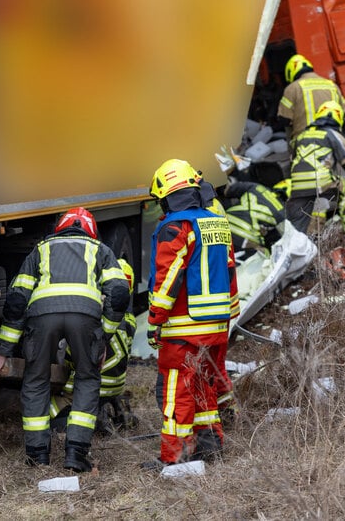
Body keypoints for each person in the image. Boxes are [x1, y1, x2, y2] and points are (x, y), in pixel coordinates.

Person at [0, 206, 128, 472]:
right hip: (85, 318)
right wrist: (103, 336)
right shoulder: (101, 250)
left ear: (59, 229)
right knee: (87, 378)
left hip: (42, 317)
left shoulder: (40, 249)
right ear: (91, 232)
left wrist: (1, 351)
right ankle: (76, 454)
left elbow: (17, 301)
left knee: (36, 380)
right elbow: (119, 294)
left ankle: (37, 456)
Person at [144, 158, 239, 468]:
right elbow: (230, 269)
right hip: (216, 325)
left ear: (166, 195)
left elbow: (168, 277)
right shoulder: (216, 222)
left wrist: (155, 318)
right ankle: (210, 445)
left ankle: (175, 458)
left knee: (177, 393)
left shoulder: (176, 226)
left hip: (184, 328)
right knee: (203, 385)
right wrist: (230, 312)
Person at [50, 258, 138, 434]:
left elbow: (66, 356)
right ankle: (111, 411)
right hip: (115, 387)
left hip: (82, 389)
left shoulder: (89, 319)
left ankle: (75, 421)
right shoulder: (130, 322)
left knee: (46, 409)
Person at [285, 100, 345, 239]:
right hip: (321, 181)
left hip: (297, 184)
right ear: (338, 117)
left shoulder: (301, 136)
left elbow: (292, 159)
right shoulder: (332, 134)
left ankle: (297, 243)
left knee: (299, 217)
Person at [277, 53, 345, 146]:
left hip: (307, 144)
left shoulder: (292, 88)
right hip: (335, 140)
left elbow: (284, 119)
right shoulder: (331, 85)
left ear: (291, 72)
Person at [221, 179, 286, 258]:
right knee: (268, 255)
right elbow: (277, 244)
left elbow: (227, 191)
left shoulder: (256, 187)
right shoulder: (282, 214)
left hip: (222, 227)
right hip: (246, 242)